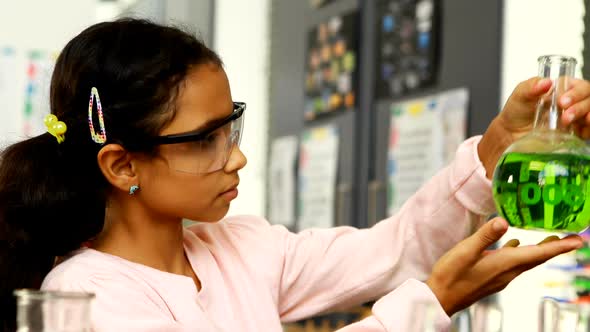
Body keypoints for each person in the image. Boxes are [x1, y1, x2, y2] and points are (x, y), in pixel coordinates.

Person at [1, 19, 589, 332]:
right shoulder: (88, 300)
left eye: (230, 129)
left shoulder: (240, 248)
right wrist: (430, 304)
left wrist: (497, 147)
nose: (236, 158)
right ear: (122, 163)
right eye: (205, 140)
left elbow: (392, 250)